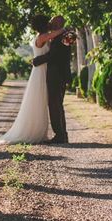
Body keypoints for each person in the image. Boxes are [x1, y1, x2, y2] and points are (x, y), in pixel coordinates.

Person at [0, 15, 65, 145]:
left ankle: (46, 132)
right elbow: (58, 32)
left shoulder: (43, 35)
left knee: (44, 103)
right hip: (41, 72)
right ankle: (35, 132)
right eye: (48, 22)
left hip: (43, 70)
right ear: (44, 25)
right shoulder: (42, 37)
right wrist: (65, 29)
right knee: (39, 102)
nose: (50, 23)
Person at [32, 15, 72, 144]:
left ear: (59, 24)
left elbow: (56, 55)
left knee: (55, 105)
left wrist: (37, 60)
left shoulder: (65, 36)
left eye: (54, 22)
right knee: (57, 105)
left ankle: (60, 135)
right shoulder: (59, 35)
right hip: (56, 74)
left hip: (58, 75)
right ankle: (62, 134)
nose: (51, 24)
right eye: (50, 22)